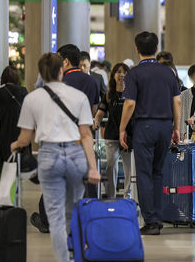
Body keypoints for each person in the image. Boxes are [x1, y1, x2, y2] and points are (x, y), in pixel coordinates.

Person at [11, 52, 100, 262]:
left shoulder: (33, 99)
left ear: (41, 73)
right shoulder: (78, 96)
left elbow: (25, 136)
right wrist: (93, 167)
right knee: (74, 213)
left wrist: (16, 144)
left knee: (56, 217)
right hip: (75, 154)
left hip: (49, 155)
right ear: (62, 70)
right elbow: (86, 134)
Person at [30, 44, 100, 234]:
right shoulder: (91, 81)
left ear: (66, 61)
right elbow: (93, 111)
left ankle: (46, 219)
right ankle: (89, 216)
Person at [119, 32, 182, 235]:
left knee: (144, 173)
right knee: (158, 172)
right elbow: (177, 101)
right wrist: (177, 128)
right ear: (157, 48)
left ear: (136, 49)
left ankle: (151, 221)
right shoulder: (168, 73)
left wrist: (122, 128)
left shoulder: (135, 73)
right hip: (165, 126)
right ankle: (158, 215)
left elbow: (130, 104)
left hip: (144, 126)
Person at [93, 63, 134, 198]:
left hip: (129, 135)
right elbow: (101, 112)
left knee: (129, 168)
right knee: (110, 166)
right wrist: (97, 121)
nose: (121, 75)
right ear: (114, 75)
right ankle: (111, 195)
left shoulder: (132, 94)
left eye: (124, 72)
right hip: (111, 134)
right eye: (118, 72)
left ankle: (127, 195)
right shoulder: (108, 95)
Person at [0, 65, 28, 175]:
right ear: (17, 77)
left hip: (3, 130)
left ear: (3, 78)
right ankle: (15, 185)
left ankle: (5, 185)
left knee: (4, 158)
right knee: (17, 158)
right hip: (19, 130)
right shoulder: (23, 91)